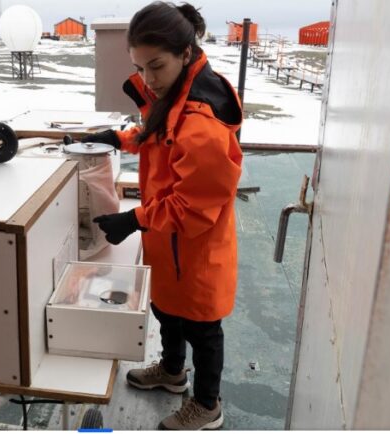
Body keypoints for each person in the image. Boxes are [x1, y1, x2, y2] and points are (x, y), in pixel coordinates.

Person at [85, 1, 243, 430]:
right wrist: (116, 138)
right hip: (166, 236)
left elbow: (194, 206)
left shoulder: (203, 123)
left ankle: (207, 405)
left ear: (186, 54)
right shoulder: (173, 94)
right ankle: (172, 372)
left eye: (156, 66)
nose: (149, 80)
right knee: (167, 310)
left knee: (203, 328)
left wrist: (133, 219)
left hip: (196, 245)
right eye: (140, 67)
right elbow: (155, 134)